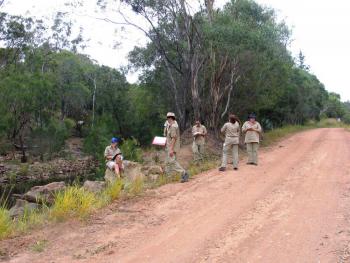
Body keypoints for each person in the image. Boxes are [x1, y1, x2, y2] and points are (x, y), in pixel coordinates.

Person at [165, 112, 189, 183]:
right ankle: (168, 178)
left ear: (171, 118)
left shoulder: (173, 126)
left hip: (171, 147)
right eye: (168, 118)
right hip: (169, 147)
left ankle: (184, 172)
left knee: (172, 162)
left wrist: (171, 149)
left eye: (169, 118)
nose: (168, 119)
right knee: (168, 162)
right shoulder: (171, 125)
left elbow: (174, 138)